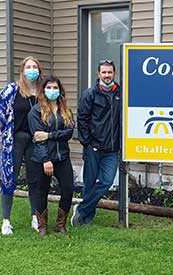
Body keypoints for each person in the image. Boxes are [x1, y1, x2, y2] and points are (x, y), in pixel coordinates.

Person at [0, 56, 41, 235]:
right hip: (15, 141)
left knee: (35, 180)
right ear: (22, 70)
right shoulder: (12, 89)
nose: (31, 69)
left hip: (35, 142)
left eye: (34, 66)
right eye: (28, 67)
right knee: (9, 179)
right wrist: (7, 127)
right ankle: (6, 220)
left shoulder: (42, 90)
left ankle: (36, 217)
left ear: (39, 70)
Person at [71, 60, 121, 226]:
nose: (107, 75)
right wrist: (87, 143)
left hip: (112, 149)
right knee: (90, 183)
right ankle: (85, 219)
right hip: (93, 147)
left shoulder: (120, 93)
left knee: (106, 182)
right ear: (98, 74)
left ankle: (81, 208)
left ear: (114, 73)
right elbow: (82, 119)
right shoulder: (90, 94)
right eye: (104, 72)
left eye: (110, 72)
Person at [28, 75, 75, 236]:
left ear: (60, 90)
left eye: (55, 88)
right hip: (42, 159)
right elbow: (37, 138)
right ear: (43, 90)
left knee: (68, 189)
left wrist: (49, 135)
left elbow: (68, 132)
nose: (52, 91)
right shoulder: (36, 111)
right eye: (49, 88)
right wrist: (46, 159)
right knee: (42, 191)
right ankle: (42, 226)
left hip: (62, 157)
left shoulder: (65, 110)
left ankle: (60, 225)